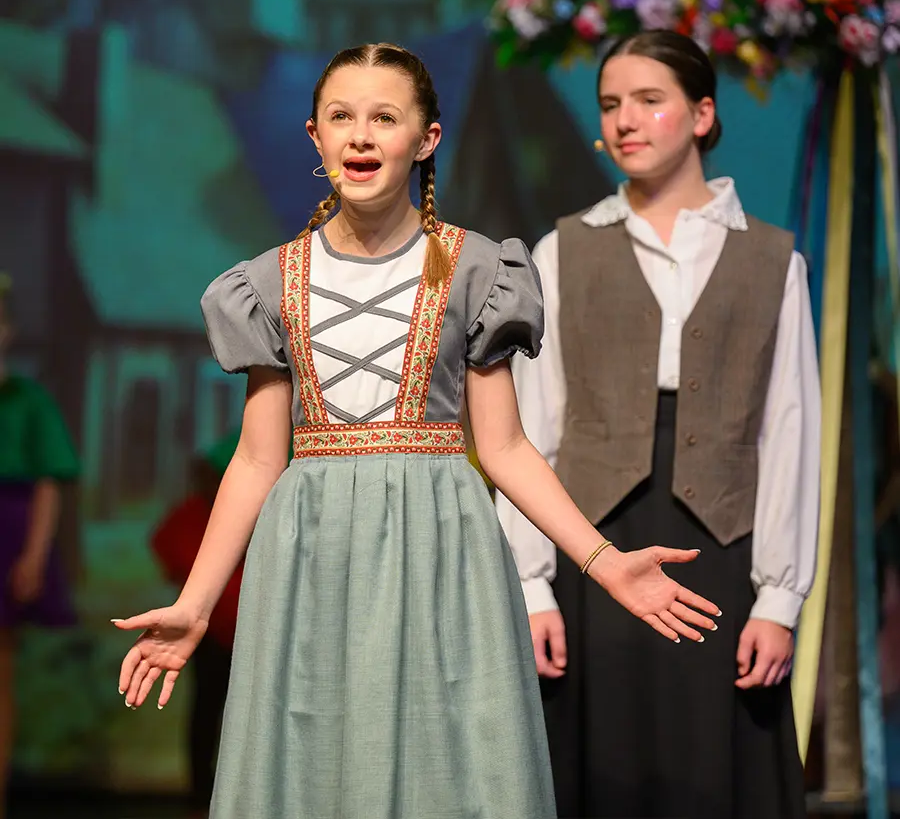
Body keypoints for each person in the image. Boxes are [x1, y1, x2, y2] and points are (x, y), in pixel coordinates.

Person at [113, 42, 720, 819]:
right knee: (312, 759)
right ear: (315, 137)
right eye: (342, 117)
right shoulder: (265, 285)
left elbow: (503, 448)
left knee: (451, 763)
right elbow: (259, 458)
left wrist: (602, 563)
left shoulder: (476, 271)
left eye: (384, 118)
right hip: (311, 547)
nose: (361, 136)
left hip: (441, 542)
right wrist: (196, 604)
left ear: (426, 138)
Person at [496, 28, 821, 818]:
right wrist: (531, 585)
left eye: (649, 100)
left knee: (713, 775)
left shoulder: (772, 258)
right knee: (602, 772)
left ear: (703, 114)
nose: (624, 121)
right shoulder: (563, 251)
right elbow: (531, 430)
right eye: (611, 105)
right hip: (596, 550)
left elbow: (788, 435)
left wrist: (779, 601)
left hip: (722, 554)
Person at [0, 274, 79, 819]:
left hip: (7, 534)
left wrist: (31, 556)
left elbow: (50, 482)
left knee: (1, 672)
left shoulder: (26, 400)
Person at [150, 431, 242, 818]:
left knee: (245, 716)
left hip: (248, 632)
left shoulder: (254, 514)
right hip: (207, 636)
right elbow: (165, 546)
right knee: (206, 711)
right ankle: (200, 796)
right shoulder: (190, 515)